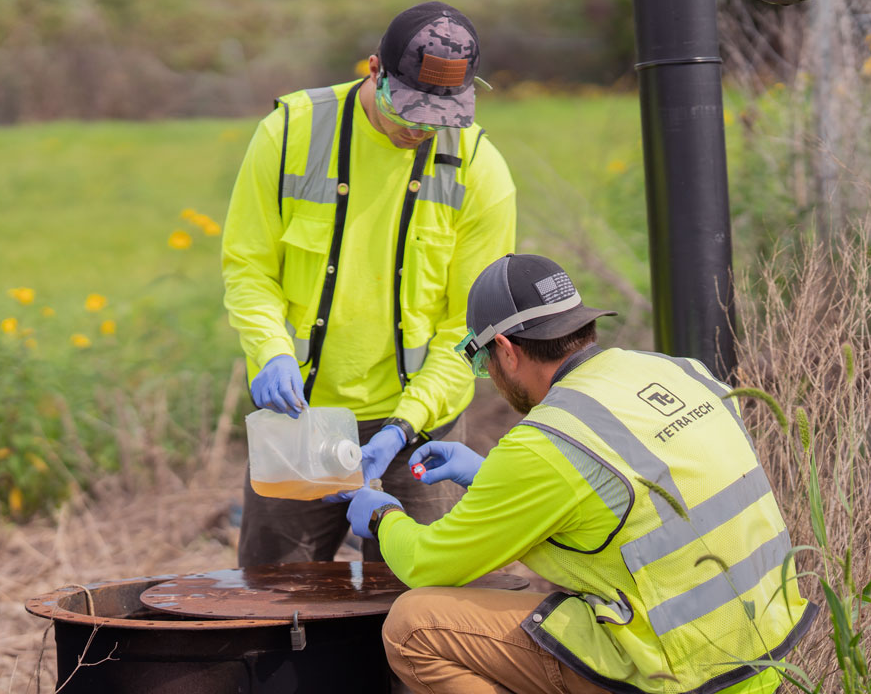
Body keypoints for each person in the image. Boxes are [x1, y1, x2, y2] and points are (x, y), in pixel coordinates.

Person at [343, 254, 817, 694]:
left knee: (412, 627)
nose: (491, 372)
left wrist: (384, 514)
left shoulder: (546, 440)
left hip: (676, 671)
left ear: (506, 350)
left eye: (482, 360)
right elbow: (633, 500)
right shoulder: (679, 371)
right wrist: (488, 475)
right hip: (766, 651)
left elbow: (428, 563)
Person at [221, 1, 517, 566]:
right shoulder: (289, 134)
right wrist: (270, 353)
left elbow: (470, 330)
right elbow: (249, 267)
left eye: (440, 116)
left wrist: (406, 423)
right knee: (271, 599)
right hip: (299, 419)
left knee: (417, 604)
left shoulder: (481, 170)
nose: (421, 128)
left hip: (421, 428)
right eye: (409, 111)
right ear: (375, 70)